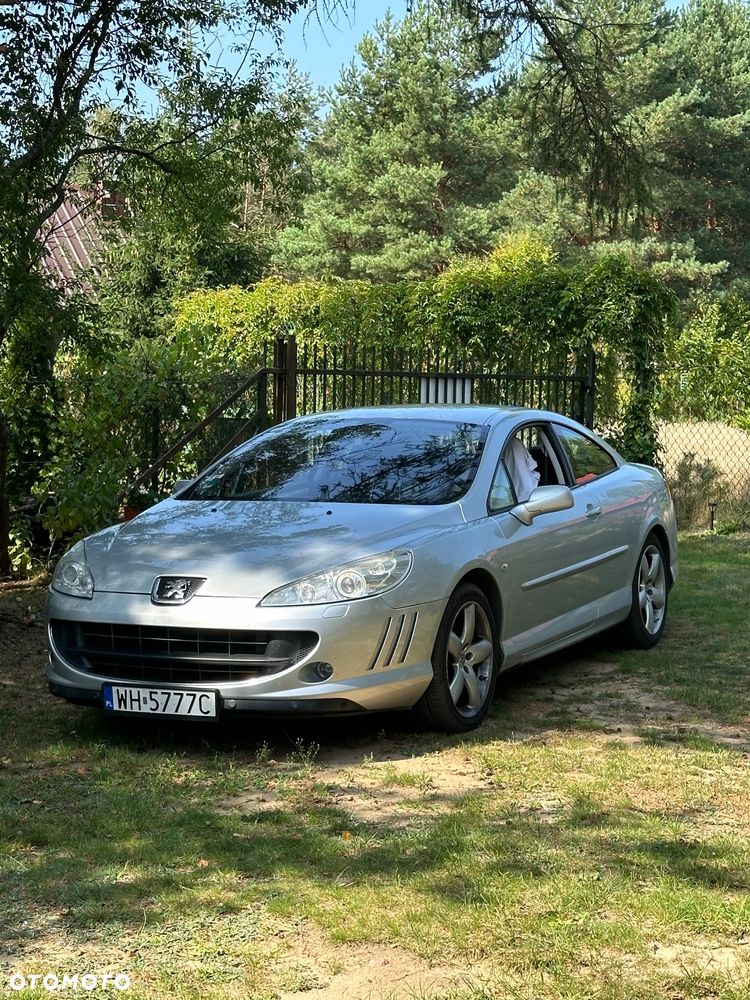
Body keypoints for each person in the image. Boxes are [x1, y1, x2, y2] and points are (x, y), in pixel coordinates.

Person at [504, 437, 540, 502]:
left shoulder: (492, 445)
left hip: (505, 495)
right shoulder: (515, 442)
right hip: (526, 495)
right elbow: (532, 465)